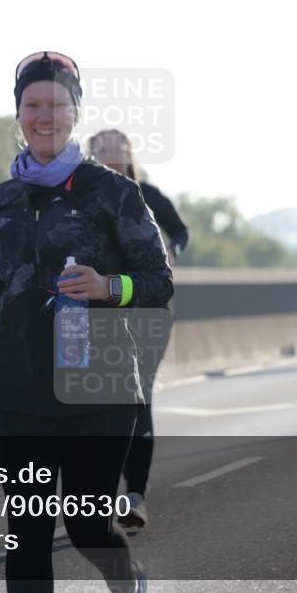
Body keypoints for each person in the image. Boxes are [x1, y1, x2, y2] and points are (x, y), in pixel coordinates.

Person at [0, 52, 171, 593]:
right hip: (20, 387)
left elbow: (159, 280)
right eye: (32, 105)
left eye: (57, 105)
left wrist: (108, 288)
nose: (44, 116)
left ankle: (125, 579)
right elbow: (0, 287)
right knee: (28, 535)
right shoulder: (3, 201)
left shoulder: (112, 191)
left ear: (76, 112)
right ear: (18, 114)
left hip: (101, 386)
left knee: (89, 527)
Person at [88, 128, 188, 529]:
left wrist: (172, 251)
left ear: (128, 154)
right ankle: (98, 492)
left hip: (147, 309)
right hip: (95, 312)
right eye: (101, 149)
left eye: (116, 148)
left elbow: (180, 230)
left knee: (136, 395)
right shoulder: (82, 194)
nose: (109, 155)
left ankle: (135, 495)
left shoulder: (147, 195)